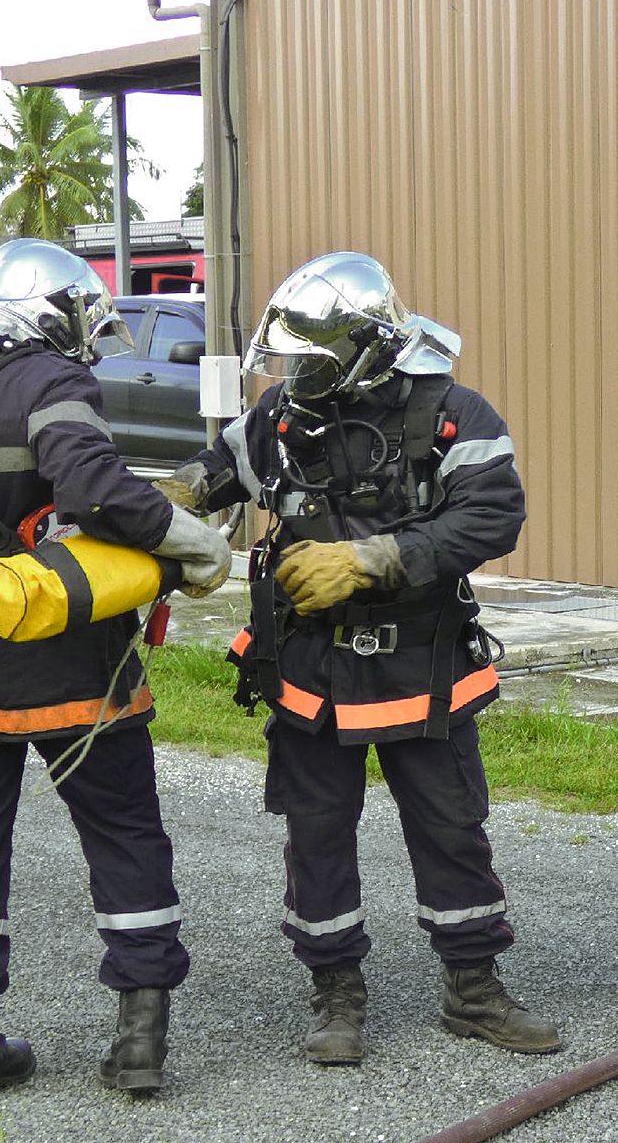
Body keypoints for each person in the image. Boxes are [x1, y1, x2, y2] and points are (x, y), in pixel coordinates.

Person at [161, 251, 561, 1066]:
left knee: (451, 828)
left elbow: (494, 518)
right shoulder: (277, 420)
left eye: (316, 360)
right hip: (307, 669)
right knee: (315, 832)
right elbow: (205, 479)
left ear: (368, 346)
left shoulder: (453, 414)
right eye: (291, 361)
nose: (298, 376)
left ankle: (472, 986)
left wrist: (374, 559)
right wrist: (159, 515)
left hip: (424, 668)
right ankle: (335, 991)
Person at [0, 239, 231, 1107]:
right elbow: (91, 486)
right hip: (69, 668)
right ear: (53, 311)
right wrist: (191, 541)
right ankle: (138, 1046)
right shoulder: (49, 382)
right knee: (124, 836)